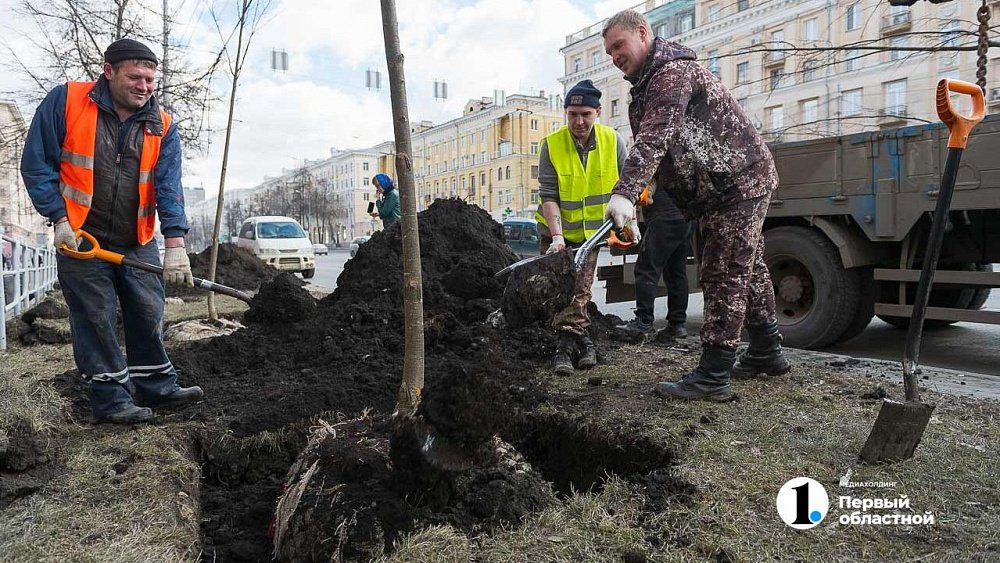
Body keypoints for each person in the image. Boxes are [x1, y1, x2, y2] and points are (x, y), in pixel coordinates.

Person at [602, 10, 790, 401]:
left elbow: (655, 138)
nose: (614, 56)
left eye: (619, 46)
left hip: (736, 180)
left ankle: (713, 375)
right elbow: (665, 152)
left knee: (723, 273)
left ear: (642, 33)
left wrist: (623, 191)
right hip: (723, 186)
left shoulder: (671, 74)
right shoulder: (649, 83)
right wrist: (637, 201)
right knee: (749, 268)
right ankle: (766, 351)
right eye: (609, 52)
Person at [21, 38, 202, 424]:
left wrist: (175, 243)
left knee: (147, 309)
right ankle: (110, 400)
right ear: (109, 71)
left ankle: (157, 386)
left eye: (151, 80)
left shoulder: (162, 125)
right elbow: (37, 165)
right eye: (135, 77)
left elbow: (169, 187)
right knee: (95, 317)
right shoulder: (66, 101)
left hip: (136, 239)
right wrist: (59, 219)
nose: (144, 86)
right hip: (80, 238)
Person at [535, 79, 628, 376]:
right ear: (566, 113)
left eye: (585, 114)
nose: (579, 121)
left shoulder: (614, 141)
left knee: (581, 291)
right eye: (572, 114)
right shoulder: (551, 145)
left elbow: (628, 187)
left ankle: (569, 346)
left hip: (591, 235)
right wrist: (558, 237)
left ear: (598, 111)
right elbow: (548, 195)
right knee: (557, 291)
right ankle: (575, 343)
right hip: (555, 233)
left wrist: (631, 221)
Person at [618, 193, 692, 341]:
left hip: (664, 217)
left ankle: (644, 321)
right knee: (676, 271)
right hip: (685, 218)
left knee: (646, 269)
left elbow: (638, 186)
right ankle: (677, 324)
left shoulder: (654, 168)